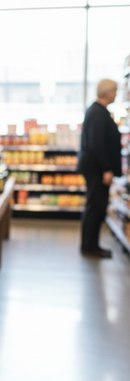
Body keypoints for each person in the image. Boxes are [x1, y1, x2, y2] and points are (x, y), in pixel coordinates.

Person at [78, 79, 122, 258]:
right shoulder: (98, 113)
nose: (116, 94)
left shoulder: (97, 111)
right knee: (96, 206)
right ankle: (90, 246)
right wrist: (106, 169)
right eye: (115, 91)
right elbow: (98, 144)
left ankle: (91, 244)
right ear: (107, 92)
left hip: (95, 167)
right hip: (96, 169)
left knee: (96, 205)